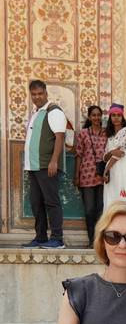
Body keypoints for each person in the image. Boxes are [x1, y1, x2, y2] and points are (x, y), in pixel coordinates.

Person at [22, 79, 67, 249]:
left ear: (46, 93)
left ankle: (57, 238)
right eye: (34, 94)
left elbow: (60, 137)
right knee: (36, 202)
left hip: (46, 164)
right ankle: (40, 237)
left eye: (40, 94)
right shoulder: (36, 112)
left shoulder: (53, 111)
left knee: (51, 201)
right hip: (33, 166)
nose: (37, 97)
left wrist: (54, 161)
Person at [74, 105, 106, 247]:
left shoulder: (106, 133)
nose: (96, 117)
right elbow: (78, 155)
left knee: (100, 209)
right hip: (86, 175)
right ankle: (91, 240)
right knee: (89, 210)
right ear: (89, 117)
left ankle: (99, 241)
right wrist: (76, 175)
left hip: (102, 176)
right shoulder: (83, 133)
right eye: (93, 115)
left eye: (98, 115)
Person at [103, 104, 126, 207]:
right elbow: (105, 157)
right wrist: (112, 152)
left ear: (122, 117)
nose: (116, 118)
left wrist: (106, 170)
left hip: (123, 168)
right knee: (111, 197)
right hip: (111, 170)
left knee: (124, 197)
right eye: (113, 115)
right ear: (110, 117)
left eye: (118, 115)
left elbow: (120, 153)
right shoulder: (110, 135)